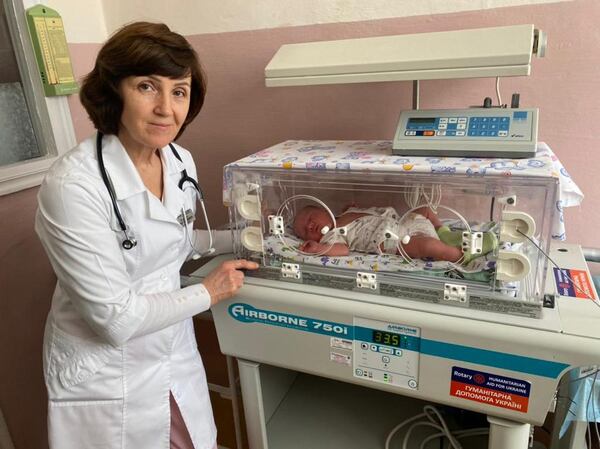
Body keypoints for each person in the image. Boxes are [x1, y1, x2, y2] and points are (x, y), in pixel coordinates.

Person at [35, 22, 256, 449]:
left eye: (179, 91)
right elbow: (115, 319)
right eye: (147, 87)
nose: (166, 109)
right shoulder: (73, 186)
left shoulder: (176, 159)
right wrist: (210, 292)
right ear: (113, 91)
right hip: (106, 373)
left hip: (171, 351)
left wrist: (250, 240)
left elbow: (177, 239)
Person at [293, 204, 497, 262]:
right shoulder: (332, 236)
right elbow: (342, 250)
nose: (310, 226)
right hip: (394, 242)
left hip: (402, 223)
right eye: (305, 230)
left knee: (425, 209)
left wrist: (352, 207)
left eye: (311, 218)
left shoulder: (346, 212)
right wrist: (320, 248)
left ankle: (443, 232)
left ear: (323, 208)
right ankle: (461, 255)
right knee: (427, 246)